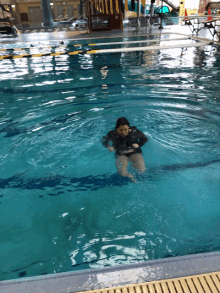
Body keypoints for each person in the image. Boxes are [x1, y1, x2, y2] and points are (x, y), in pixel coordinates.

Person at [102, 117, 148, 182]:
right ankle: (129, 176)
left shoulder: (134, 132)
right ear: (116, 129)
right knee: (122, 173)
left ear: (129, 129)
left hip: (134, 152)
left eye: (125, 130)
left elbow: (144, 138)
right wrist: (109, 146)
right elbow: (104, 141)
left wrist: (138, 144)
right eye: (121, 130)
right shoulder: (113, 134)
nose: (123, 132)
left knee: (142, 171)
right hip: (121, 153)